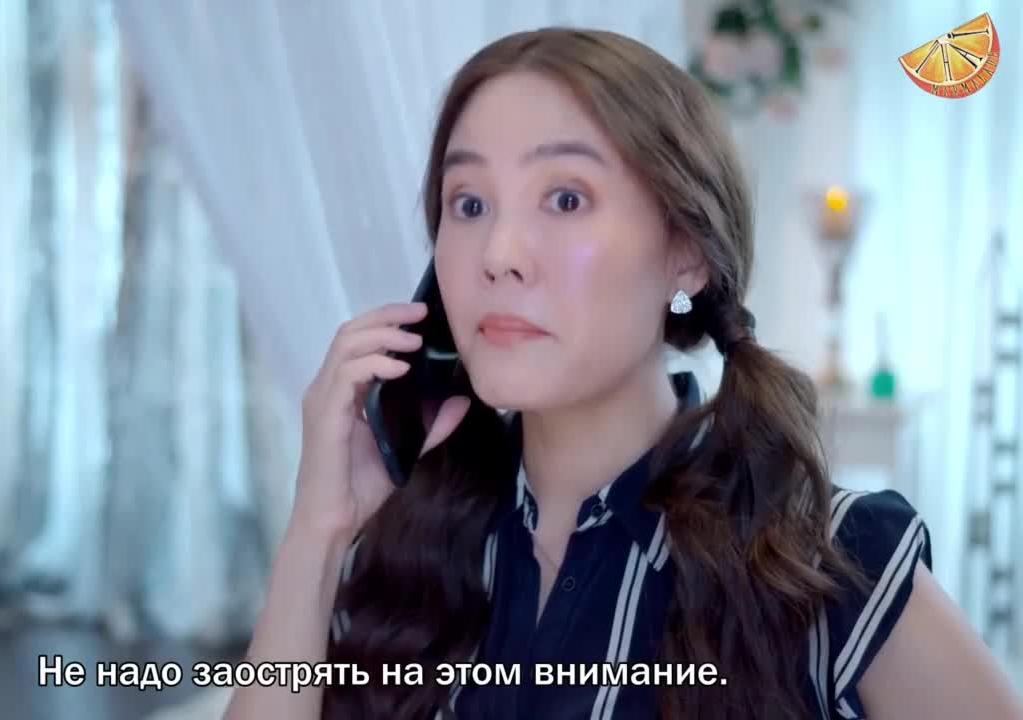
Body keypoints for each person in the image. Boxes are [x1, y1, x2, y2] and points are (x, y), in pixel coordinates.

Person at [223, 28, 1023, 720]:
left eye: (565, 199)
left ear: (687, 252)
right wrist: (317, 532)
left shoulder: (826, 561)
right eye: (468, 204)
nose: (498, 253)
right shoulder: (410, 557)